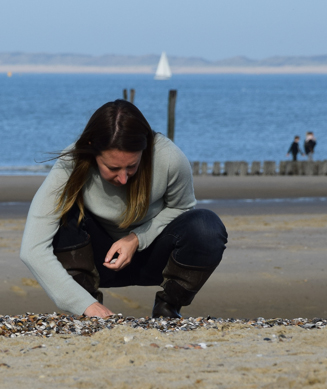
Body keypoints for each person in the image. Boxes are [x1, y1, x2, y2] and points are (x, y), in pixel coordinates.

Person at [20, 100, 227, 319]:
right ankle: (91, 310)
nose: (123, 178)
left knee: (206, 225)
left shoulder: (169, 158)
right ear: (92, 149)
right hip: (96, 263)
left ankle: (168, 308)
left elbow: (182, 208)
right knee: (64, 218)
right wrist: (83, 304)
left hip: (154, 258)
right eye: (112, 168)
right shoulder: (70, 163)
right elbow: (32, 249)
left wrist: (136, 238)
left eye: (132, 166)